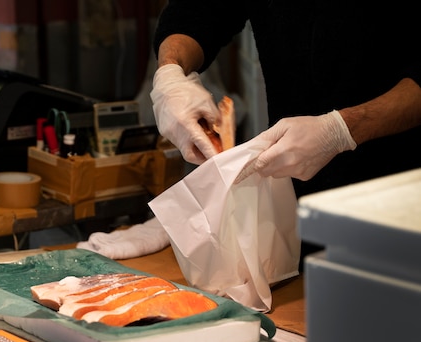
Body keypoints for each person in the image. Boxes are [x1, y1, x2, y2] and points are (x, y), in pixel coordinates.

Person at [150, 0, 421, 201]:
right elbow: (196, 12)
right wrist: (170, 73)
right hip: (295, 196)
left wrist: (342, 129)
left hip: (402, 191)